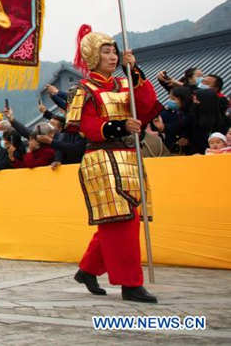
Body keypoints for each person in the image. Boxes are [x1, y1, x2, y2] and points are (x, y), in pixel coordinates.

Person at [67, 26, 161, 303]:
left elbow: (147, 106)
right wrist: (119, 126)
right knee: (122, 221)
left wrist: (136, 73)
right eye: (105, 51)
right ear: (93, 57)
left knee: (120, 219)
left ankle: (88, 269)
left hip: (130, 157)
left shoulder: (125, 84)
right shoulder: (84, 89)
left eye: (114, 51)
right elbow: (85, 126)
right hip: (101, 157)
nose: (112, 56)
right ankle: (130, 283)